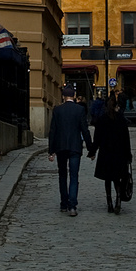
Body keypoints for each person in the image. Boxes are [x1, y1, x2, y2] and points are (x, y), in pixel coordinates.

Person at [48, 83, 93, 217]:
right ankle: (72, 206)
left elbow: (53, 132)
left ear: (63, 97)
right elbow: (85, 130)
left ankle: (63, 204)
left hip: (61, 147)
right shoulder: (79, 110)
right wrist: (91, 149)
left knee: (62, 175)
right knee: (74, 176)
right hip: (75, 147)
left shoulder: (57, 110)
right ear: (73, 96)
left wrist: (51, 151)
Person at [89, 92, 132, 214]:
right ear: (116, 106)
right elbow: (126, 139)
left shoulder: (102, 120)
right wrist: (128, 155)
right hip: (119, 154)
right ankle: (118, 199)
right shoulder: (121, 120)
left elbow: (97, 139)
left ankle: (109, 203)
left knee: (108, 179)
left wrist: (92, 152)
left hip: (106, 154)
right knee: (117, 179)